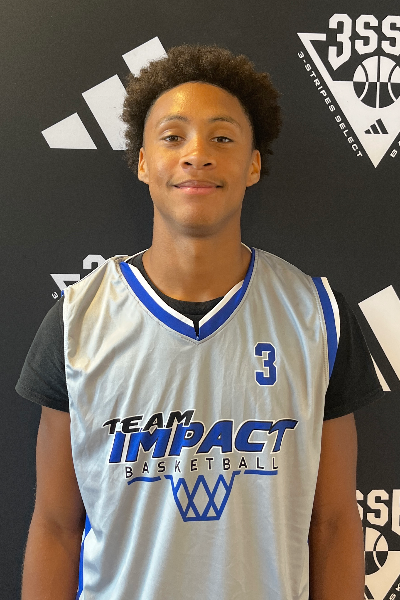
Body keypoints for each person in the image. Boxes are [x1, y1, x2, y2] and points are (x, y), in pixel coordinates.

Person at [16, 44, 384, 600]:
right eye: (173, 136)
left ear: (253, 164)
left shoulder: (317, 315)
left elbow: (333, 525)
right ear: (143, 162)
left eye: (222, 138)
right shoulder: (77, 321)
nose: (197, 155)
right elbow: (55, 526)